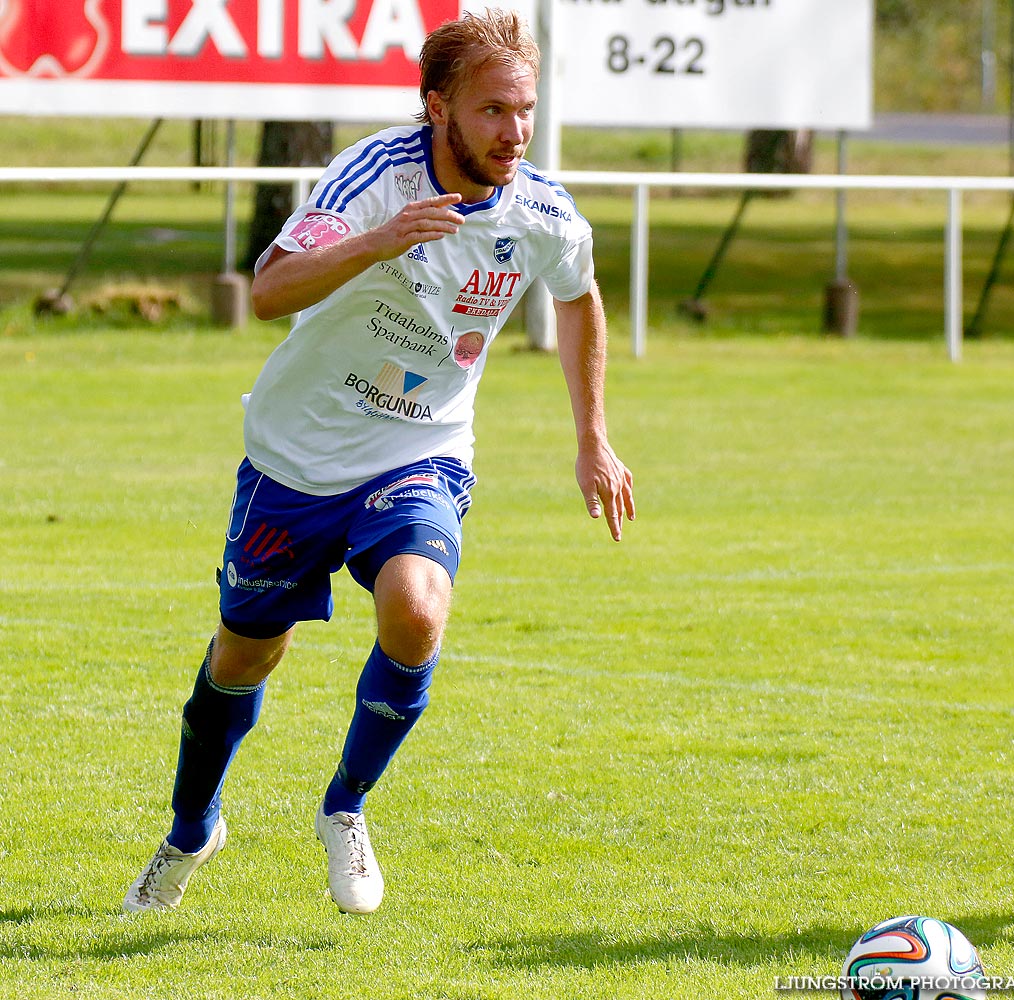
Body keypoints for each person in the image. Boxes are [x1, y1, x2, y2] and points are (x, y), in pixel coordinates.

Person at [122, 8, 635, 916]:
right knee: (244, 657)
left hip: (421, 449)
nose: (513, 132)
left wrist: (592, 438)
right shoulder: (372, 177)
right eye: (491, 111)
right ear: (436, 106)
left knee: (415, 609)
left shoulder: (541, 211)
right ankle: (191, 828)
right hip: (297, 456)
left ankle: (345, 807)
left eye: (524, 109)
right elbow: (271, 288)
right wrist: (380, 240)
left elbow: (579, 299)